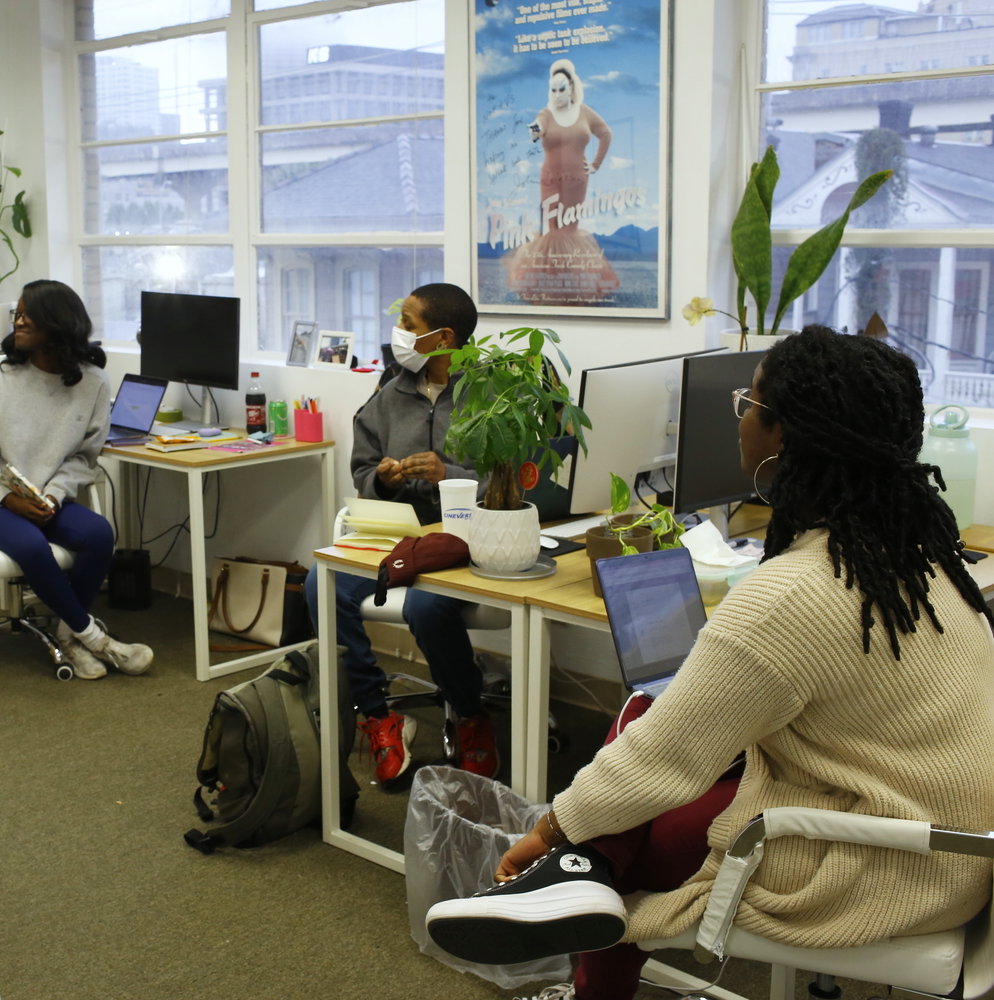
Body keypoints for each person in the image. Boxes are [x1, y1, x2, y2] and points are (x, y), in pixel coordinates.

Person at [426, 327, 994, 1000]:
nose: (740, 422)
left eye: (746, 406)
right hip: (954, 846)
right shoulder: (921, 557)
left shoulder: (791, 594)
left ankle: (573, 885)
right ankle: (580, 877)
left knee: (645, 772)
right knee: (652, 731)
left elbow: (664, 757)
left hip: (882, 864)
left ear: (783, 435)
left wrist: (546, 830)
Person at [304, 282, 502, 786]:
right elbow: (363, 468)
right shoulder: (390, 393)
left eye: (410, 325)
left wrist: (450, 474)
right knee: (319, 584)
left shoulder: (492, 395)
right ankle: (377, 713)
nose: (399, 334)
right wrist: (382, 478)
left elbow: (514, 478)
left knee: (427, 605)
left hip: (465, 534)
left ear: (443, 337)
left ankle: (470, 713)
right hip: (397, 530)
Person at [0, 279, 152, 680]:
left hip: (46, 500)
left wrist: (55, 496)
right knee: (31, 544)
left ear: (57, 325)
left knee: (99, 534)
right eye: (17, 313)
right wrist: (8, 499)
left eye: (28, 315)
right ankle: (96, 639)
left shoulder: (93, 383)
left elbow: (83, 456)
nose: (18, 321)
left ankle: (66, 637)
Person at [501, 59, 620, 306]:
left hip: (577, 180)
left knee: (568, 229)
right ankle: (547, 285)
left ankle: (571, 285)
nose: (557, 94)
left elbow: (606, 134)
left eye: (562, 89)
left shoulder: (585, 112)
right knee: (553, 229)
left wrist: (596, 163)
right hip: (550, 180)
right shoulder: (546, 114)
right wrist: (535, 130)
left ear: (572, 88)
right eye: (553, 89)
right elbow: (539, 126)